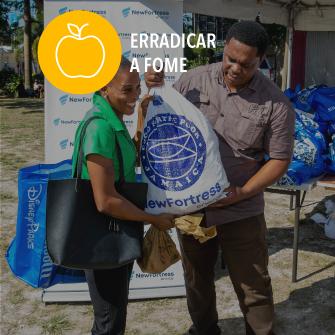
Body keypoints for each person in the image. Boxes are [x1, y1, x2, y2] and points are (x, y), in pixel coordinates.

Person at [145, 21, 295, 335]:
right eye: (230, 58)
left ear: (261, 61)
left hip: (241, 209)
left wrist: (241, 192)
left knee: (253, 284)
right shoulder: (193, 80)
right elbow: (164, 123)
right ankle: (204, 330)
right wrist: (153, 92)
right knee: (197, 279)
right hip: (192, 208)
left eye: (246, 63)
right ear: (224, 47)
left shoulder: (276, 103)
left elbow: (279, 160)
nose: (235, 68)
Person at [72, 57, 175, 335]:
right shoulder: (101, 128)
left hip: (115, 232)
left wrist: (142, 112)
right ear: (105, 87)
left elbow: (135, 157)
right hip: (104, 237)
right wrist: (152, 218)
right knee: (109, 322)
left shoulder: (112, 119)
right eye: (126, 90)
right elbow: (105, 201)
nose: (134, 96)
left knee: (112, 316)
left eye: (137, 88)